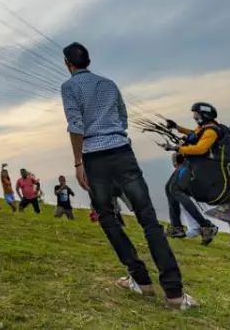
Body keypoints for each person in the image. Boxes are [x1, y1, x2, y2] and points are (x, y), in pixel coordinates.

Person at [61, 42, 195, 311]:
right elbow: (123, 118)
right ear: (88, 60)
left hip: (94, 157)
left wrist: (78, 162)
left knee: (109, 220)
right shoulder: (109, 84)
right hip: (122, 152)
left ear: (68, 63)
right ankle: (174, 293)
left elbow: (75, 124)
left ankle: (140, 279)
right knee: (148, 219)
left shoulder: (69, 87)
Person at [165, 153, 218, 245]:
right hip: (188, 159)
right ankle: (176, 227)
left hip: (193, 160)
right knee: (169, 188)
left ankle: (206, 226)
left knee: (175, 189)